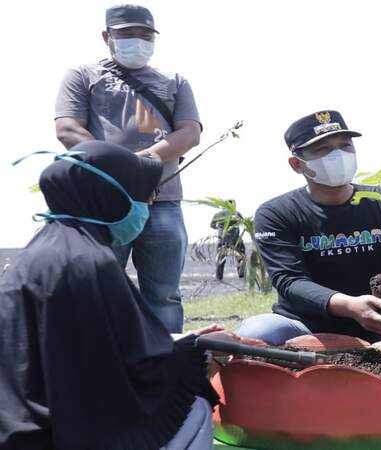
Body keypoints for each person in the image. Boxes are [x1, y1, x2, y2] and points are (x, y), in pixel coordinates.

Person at [1, 142, 219, 450]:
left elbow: (91, 349)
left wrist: (186, 341)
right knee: (194, 404)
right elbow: (139, 373)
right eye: (144, 194)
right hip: (63, 437)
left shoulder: (35, 254)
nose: (149, 202)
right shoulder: (91, 261)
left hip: (23, 432)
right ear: (109, 196)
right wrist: (200, 357)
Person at [54, 4, 202, 333]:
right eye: (126, 34)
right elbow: (68, 129)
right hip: (104, 204)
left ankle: (167, 370)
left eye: (145, 34)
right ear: (107, 37)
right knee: (98, 291)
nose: (137, 40)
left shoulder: (174, 81)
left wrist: (145, 161)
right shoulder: (82, 76)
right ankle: (100, 369)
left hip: (163, 203)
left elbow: (190, 132)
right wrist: (123, 171)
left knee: (164, 296)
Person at [236, 111, 381, 345]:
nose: (338, 155)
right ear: (297, 164)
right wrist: (350, 306)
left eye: (345, 146)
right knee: (258, 333)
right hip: (305, 325)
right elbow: (290, 281)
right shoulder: (276, 213)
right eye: (322, 149)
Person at [210, 201, 246, 280]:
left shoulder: (217, 214)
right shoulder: (236, 213)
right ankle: (241, 273)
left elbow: (212, 225)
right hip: (235, 239)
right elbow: (243, 223)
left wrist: (220, 227)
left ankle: (219, 276)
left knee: (220, 257)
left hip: (222, 239)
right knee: (241, 255)